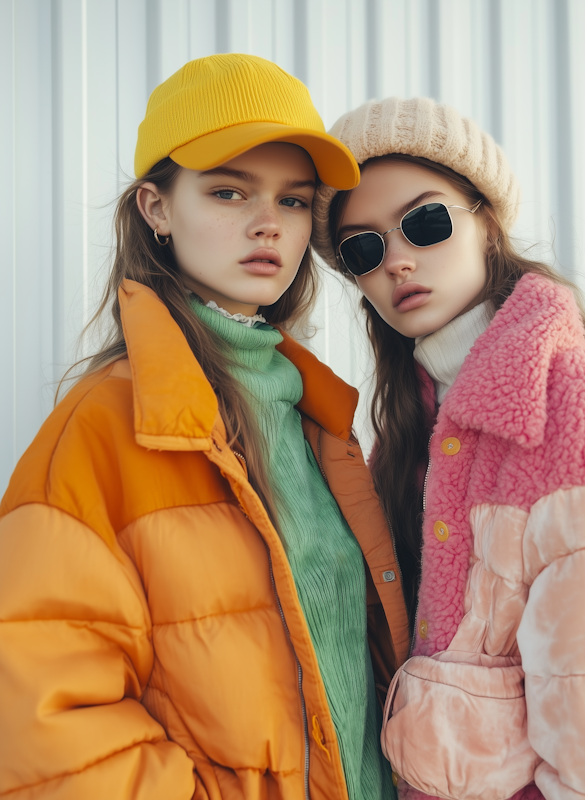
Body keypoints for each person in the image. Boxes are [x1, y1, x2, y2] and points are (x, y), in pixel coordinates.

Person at [0, 56, 409, 800]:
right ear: (156, 209)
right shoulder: (102, 427)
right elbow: (40, 726)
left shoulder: (321, 419)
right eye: (228, 191)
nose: (266, 223)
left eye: (291, 201)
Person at [313, 96, 585, 800]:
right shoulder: (415, 421)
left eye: (424, 222)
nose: (396, 261)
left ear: (486, 221)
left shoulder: (581, 408)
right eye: (364, 249)